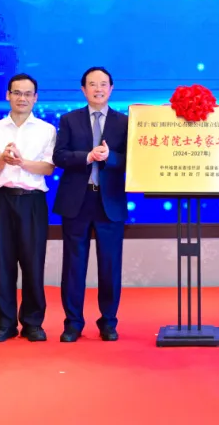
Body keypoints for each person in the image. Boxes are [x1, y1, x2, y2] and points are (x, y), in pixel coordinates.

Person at [0, 73, 57, 343]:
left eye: (27, 93)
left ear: (35, 98)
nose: (22, 98)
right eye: (17, 92)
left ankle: (33, 323)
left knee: (33, 263)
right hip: (3, 201)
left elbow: (48, 167)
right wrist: (3, 158)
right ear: (8, 95)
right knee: (4, 263)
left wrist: (22, 163)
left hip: (33, 201)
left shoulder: (46, 129)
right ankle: (5, 324)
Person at [54, 67, 129, 342]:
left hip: (110, 202)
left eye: (103, 84)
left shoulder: (125, 122)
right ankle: (73, 323)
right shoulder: (69, 119)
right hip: (78, 200)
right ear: (83, 89)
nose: (98, 89)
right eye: (92, 84)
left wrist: (110, 157)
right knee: (74, 265)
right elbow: (59, 156)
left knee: (110, 265)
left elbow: (132, 161)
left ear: (111, 88)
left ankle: (108, 322)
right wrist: (87, 156)